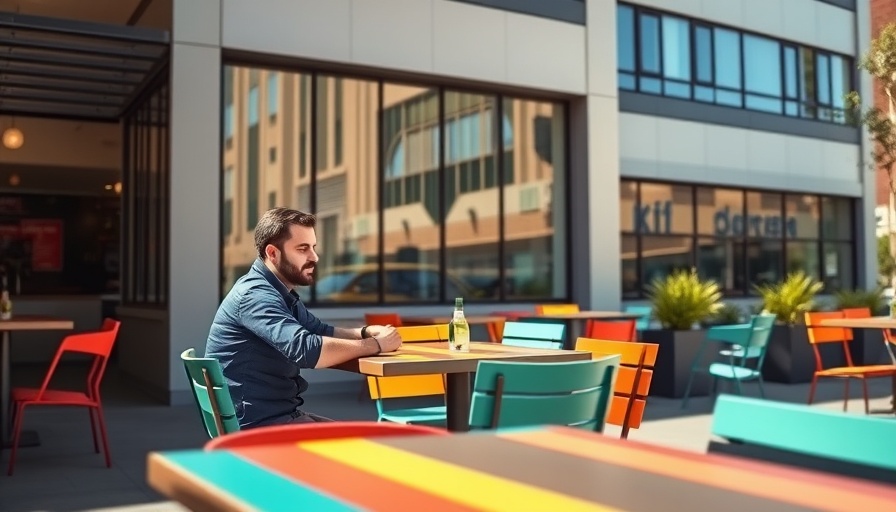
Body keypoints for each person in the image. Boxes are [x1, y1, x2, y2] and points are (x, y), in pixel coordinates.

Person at [206, 207, 402, 429]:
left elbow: (317, 330)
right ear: (272, 253)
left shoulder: (278, 291)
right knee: (367, 449)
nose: (314, 257)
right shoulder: (256, 296)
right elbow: (307, 350)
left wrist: (365, 332)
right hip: (259, 425)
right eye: (302, 249)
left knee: (366, 442)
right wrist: (375, 345)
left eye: (313, 247)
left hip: (277, 416)